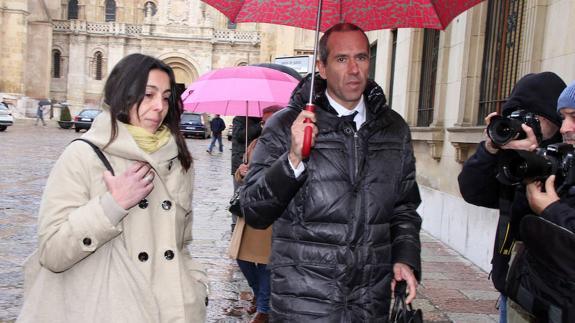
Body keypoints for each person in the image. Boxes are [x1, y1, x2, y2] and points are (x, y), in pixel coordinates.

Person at [239, 23, 422, 322]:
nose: (353, 69)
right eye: (341, 59)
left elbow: (404, 207)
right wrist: (292, 160)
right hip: (303, 306)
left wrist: (405, 258)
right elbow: (254, 210)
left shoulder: (394, 129)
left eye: (361, 58)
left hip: (368, 305)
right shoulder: (286, 126)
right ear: (322, 68)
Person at [18, 53, 208, 322]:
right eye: (148, 94)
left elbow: (181, 244)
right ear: (123, 94)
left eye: (166, 97)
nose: (159, 107)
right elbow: (52, 252)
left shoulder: (177, 159)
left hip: (173, 312)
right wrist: (112, 206)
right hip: (110, 308)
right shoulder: (83, 156)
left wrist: (197, 286)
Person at [457, 72, 565, 323]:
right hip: (514, 282)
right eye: (518, 115)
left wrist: (538, 160)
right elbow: (472, 191)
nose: (525, 125)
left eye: (535, 117)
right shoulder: (509, 157)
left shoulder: (564, 161)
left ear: (557, 122)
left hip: (555, 294)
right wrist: (490, 149)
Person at [504, 81, 575, 323]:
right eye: (562, 117)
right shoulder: (564, 160)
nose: (565, 128)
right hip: (540, 298)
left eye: (574, 117)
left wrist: (552, 210)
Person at [228, 105, 282, 323]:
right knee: (242, 259)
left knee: (266, 263)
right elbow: (242, 174)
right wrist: (240, 173)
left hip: (269, 214)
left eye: (270, 121)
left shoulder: (287, 146)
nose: (266, 125)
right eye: (263, 122)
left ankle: (263, 308)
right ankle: (260, 296)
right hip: (248, 211)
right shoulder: (254, 144)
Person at [230, 115, 262, 231]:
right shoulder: (239, 119)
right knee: (238, 196)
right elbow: (240, 136)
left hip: (256, 165)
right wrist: (260, 126)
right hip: (240, 164)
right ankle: (235, 226)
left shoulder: (261, 121)